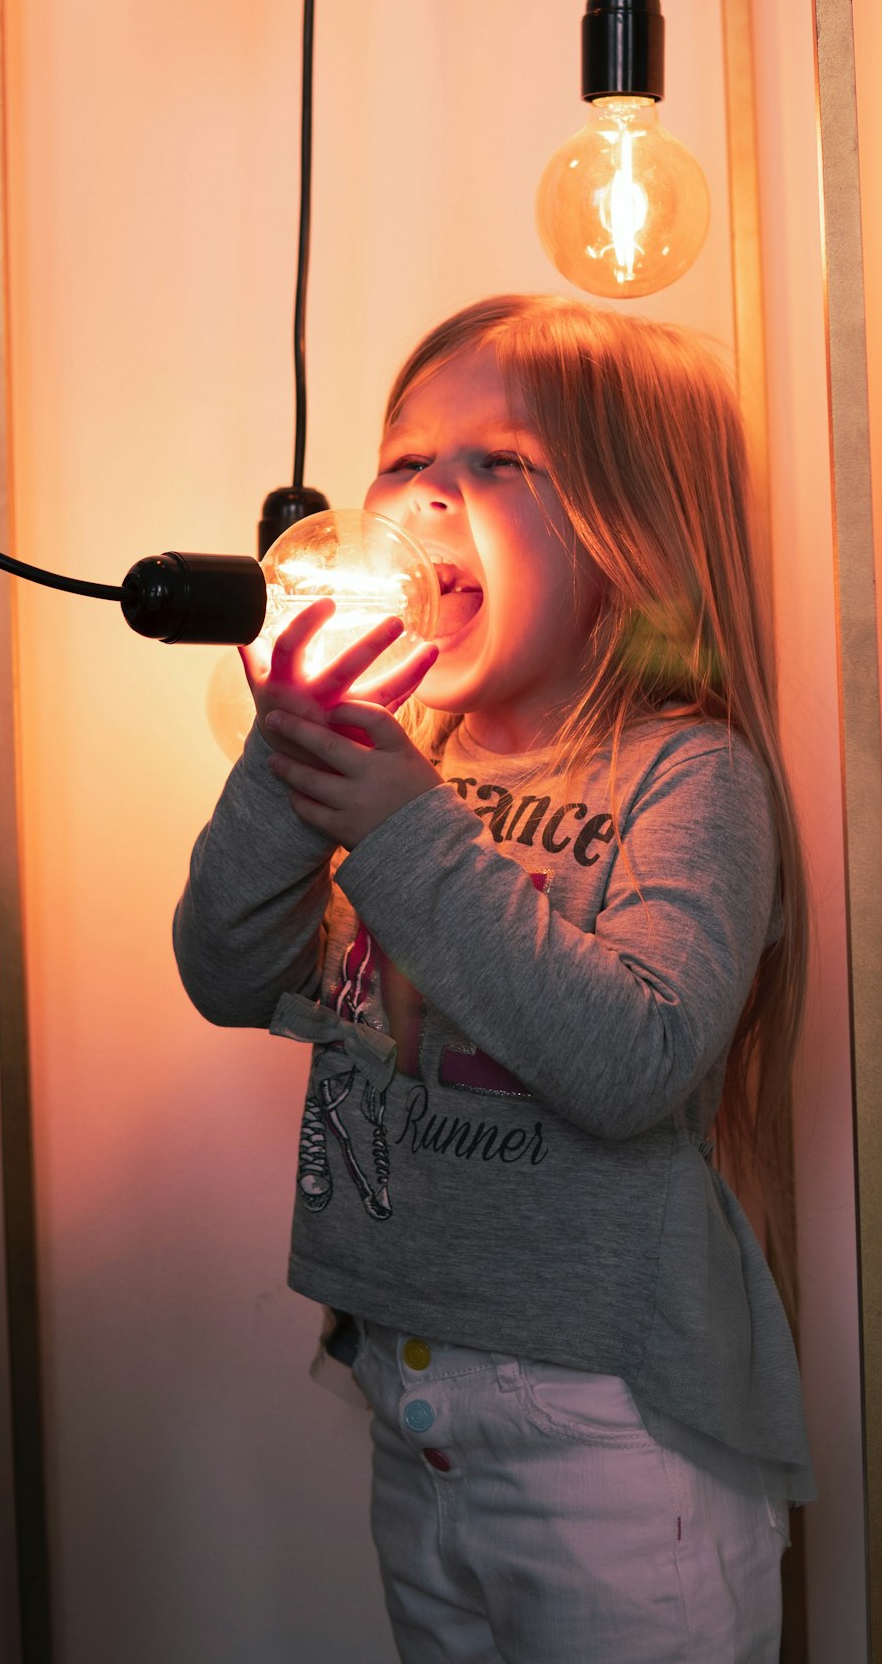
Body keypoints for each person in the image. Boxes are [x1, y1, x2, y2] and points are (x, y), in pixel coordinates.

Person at [173, 294, 816, 1664]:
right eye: (404, 459)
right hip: (418, 1415)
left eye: (495, 463)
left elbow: (635, 1060)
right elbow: (228, 967)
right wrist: (297, 758)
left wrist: (402, 828)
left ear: (628, 540)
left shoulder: (687, 775)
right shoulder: (402, 759)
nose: (421, 500)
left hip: (614, 1444)